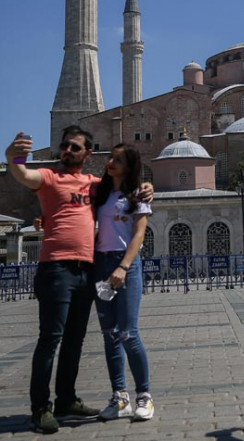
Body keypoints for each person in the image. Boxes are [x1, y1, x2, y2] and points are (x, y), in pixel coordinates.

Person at [6, 127, 153, 434]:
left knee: (77, 340)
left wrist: (148, 186)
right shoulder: (48, 177)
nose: (68, 151)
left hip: (89, 271)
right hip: (57, 268)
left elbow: (125, 192)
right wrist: (14, 158)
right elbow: (23, 176)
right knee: (51, 339)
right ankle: (40, 408)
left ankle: (68, 399)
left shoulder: (95, 185)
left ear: (88, 154)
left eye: (76, 147)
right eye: (65, 146)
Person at [92, 144, 156, 422]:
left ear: (130, 166)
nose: (111, 163)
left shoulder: (137, 196)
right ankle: (120, 397)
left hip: (125, 266)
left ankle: (144, 395)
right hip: (101, 264)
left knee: (128, 332)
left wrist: (123, 266)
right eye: (110, 158)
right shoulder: (100, 194)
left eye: (118, 160)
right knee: (109, 332)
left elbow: (139, 235)